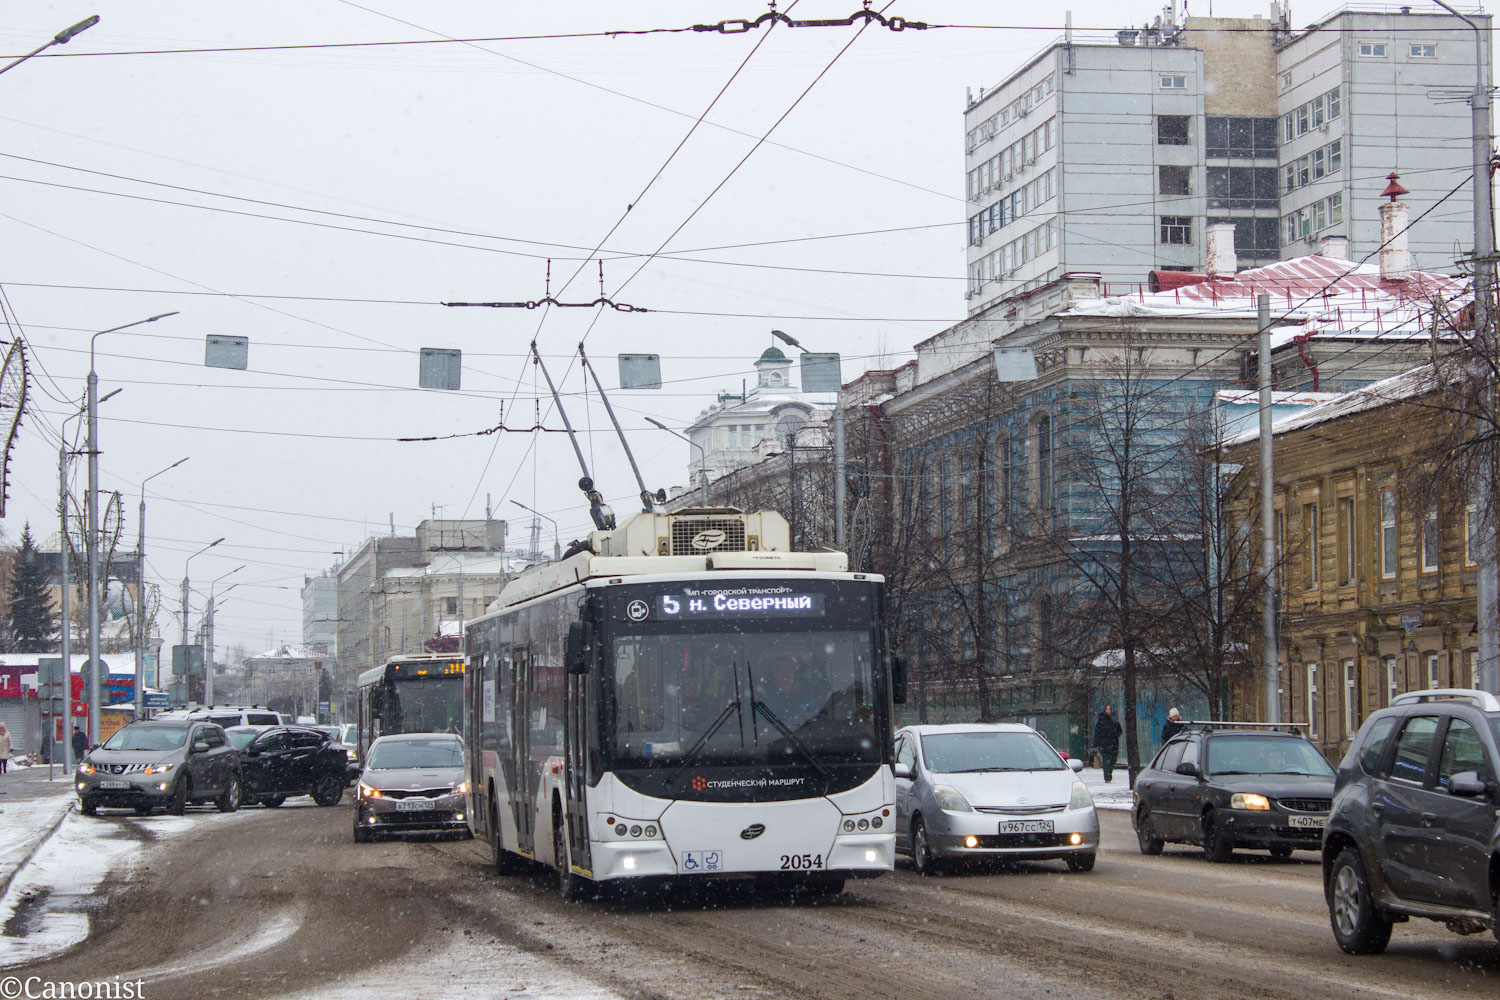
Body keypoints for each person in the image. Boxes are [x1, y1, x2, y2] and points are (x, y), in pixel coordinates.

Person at [1092, 703, 1123, 784]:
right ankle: (1107, 777)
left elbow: (1120, 731)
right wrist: (1095, 745)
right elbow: (1097, 733)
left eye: (1110, 709)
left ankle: (1109, 773)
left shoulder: (1115, 720)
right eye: (1107, 709)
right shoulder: (1101, 720)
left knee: (1113, 760)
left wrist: (1115, 734)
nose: (1108, 711)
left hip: (1114, 744)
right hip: (1104, 744)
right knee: (1106, 761)